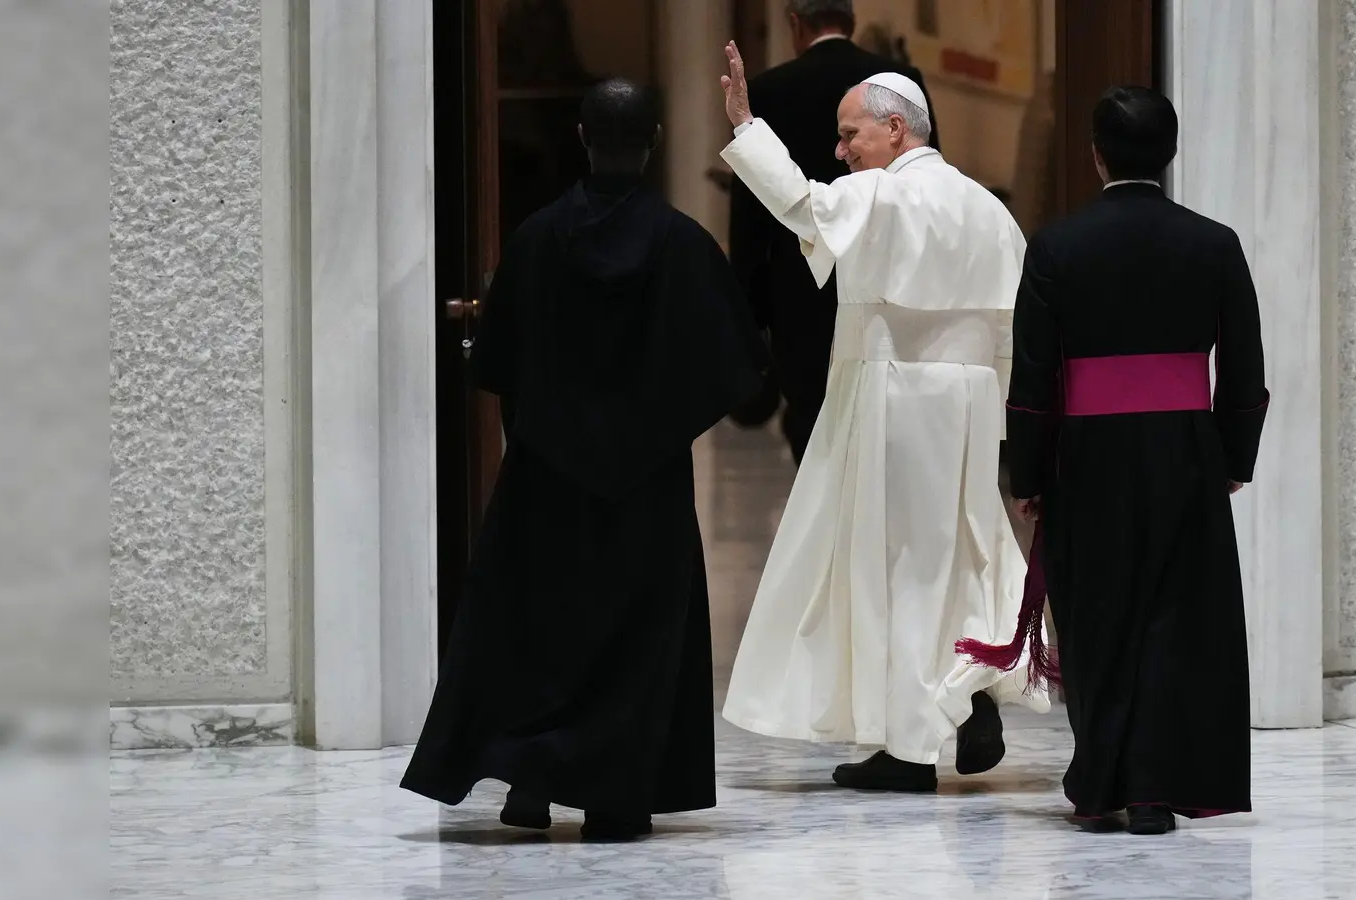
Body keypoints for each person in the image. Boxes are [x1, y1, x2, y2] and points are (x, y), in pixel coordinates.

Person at [399, 78, 768, 841]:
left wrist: (543, 427)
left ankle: (531, 781)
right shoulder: (684, 246)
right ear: (655, 141)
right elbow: (736, 367)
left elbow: (497, 363)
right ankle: (617, 799)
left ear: (581, 137)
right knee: (638, 637)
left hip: (546, 478)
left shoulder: (535, 240)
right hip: (648, 484)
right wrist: (659, 426)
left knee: (538, 628)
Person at [717, 43, 1050, 793]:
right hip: (970, 406)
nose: (841, 152)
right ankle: (969, 692)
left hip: (895, 397)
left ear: (895, 128)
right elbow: (1014, 329)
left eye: (850, 135)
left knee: (894, 568)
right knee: (963, 555)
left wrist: (746, 127)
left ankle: (909, 748)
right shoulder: (988, 207)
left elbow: (800, 204)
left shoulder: (881, 194)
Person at [956, 86, 1270, 835]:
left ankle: (1104, 781)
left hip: (1088, 457)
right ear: (1171, 152)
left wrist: (1029, 474)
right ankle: (1158, 788)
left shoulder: (1058, 246)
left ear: (1096, 154)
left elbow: (1033, 377)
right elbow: (1245, 366)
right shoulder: (1214, 243)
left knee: (1099, 615)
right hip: (1186, 451)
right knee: (1175, 615)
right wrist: (1233, 455)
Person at [727, 0, 941, 465]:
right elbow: (924, 188)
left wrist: (748, 311)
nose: (842, 153)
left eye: (849, 137)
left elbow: (763, 210)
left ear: (795, 23)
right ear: (852, 20)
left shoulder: (770, 90)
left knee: (813, 424)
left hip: (800, 288)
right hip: (892, 286)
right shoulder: (901, 80)